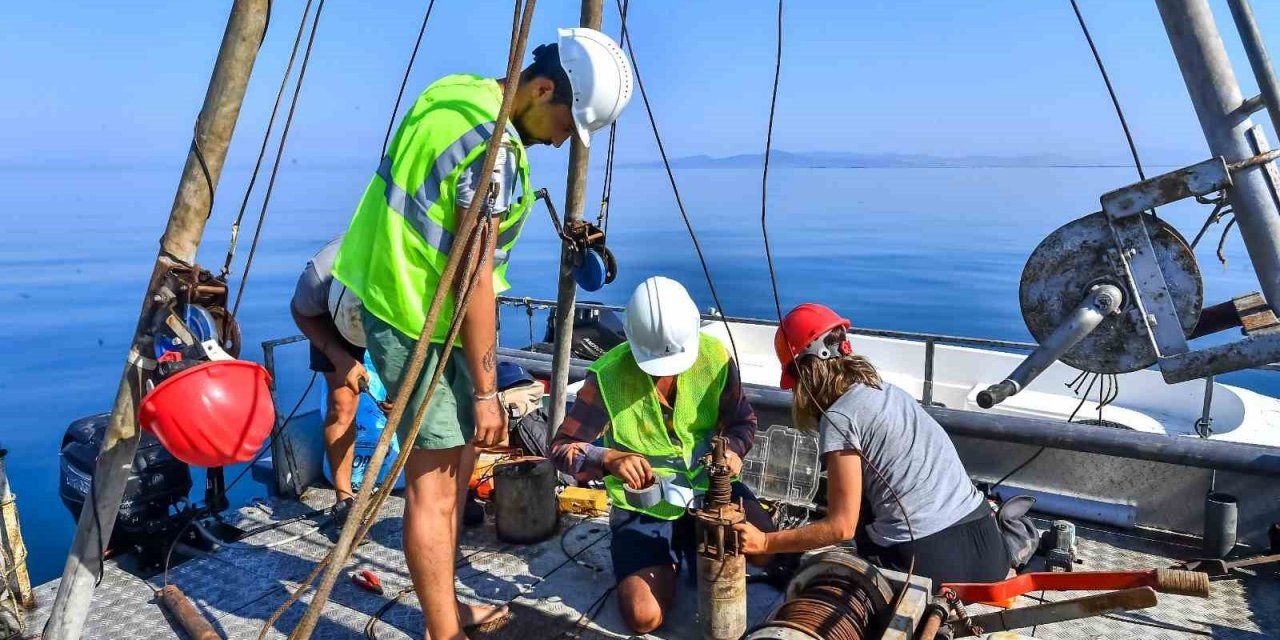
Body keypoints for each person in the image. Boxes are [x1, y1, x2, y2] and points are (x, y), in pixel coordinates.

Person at [332, 29, 633, 640]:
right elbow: (473, 279)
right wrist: (488, 392)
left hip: (404, 304)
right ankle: (443, 632)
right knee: (435, 493)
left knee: (456, 470)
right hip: (423, 323)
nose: (558, 140)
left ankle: (446, 609)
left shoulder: (457, 93)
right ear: (541, 87)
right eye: (562, 123)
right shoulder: (490, 151)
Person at [550, 277, 778, 634]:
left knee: (770, 550)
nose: (668, 370)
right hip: (645, 510)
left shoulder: (714, 358)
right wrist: (608, 457)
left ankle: (689, 546)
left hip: (714, 494)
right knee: (644, 617)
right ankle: (671, 556)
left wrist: (733, 451)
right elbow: (561, 449)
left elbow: (742, 421)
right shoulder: (608, 376)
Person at [734, 303, 1010, 587]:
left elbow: (841, 527)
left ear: (805, 372)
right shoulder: (890, 392)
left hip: (932, 563)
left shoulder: (840, 417)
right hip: (990, 551)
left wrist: (766, 542)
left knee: (826, 573)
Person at [290, 234, 366, 517]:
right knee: (342, 405)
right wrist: (339, 357)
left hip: (400, 308)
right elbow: (301, 313)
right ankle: (344, 498)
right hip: (339, 312)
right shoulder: (319, 277)